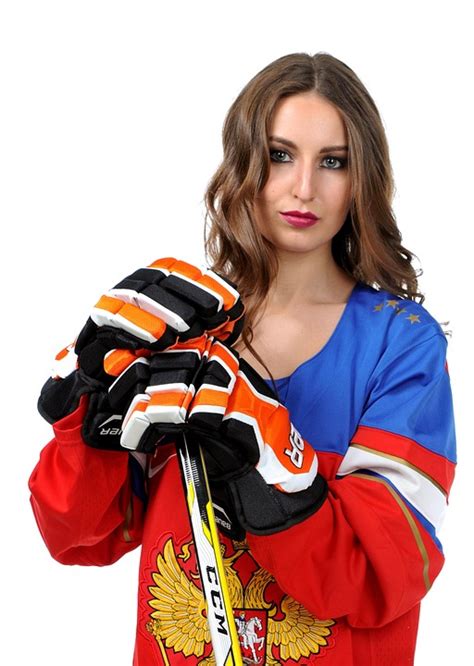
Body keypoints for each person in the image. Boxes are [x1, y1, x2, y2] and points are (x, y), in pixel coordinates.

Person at [28, 51, 456, 666]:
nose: (303, 188)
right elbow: (78, 538)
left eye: (332, 161)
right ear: (243, 162)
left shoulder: (402, 343)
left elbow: (379, 574)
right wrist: (89, 419)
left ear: (362, 178)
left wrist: (270, 458)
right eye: (280, 155)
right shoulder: (178, 327)